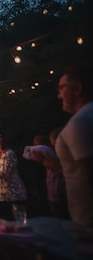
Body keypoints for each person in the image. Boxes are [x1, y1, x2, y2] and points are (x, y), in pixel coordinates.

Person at [54, 64, 93, 226]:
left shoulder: (80, 122)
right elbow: (79, 171)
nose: (59, 95)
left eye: (62, 88)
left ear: (77, 88)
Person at [25, 128, 69, 219]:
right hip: (54, 194)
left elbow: (27, 151)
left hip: (60, 195)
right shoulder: (49, 154)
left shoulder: (50, 152)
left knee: (62, 221)